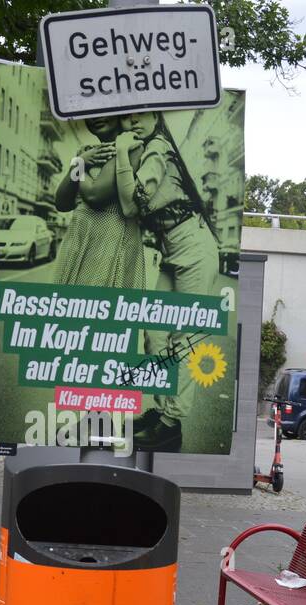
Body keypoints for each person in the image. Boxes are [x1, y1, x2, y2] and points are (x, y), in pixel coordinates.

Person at [114, 111, 222, 452]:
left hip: (193, 244)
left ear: (156, 118)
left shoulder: (157, 148)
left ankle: (171, 423)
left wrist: (119, 154)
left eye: (139, 115)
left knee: (183, 337)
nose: (132, 121)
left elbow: (134, 205)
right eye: (127, 116)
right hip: (169, 246)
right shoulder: (147, 148)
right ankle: (161, 410)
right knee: (154, 331)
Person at [52, 116, 145, 289]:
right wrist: (80, 163)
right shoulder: (86, 151)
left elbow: (95, 195)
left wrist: (78, 164)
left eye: (104, 112)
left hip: (111, 241)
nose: (96, 118)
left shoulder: (131, 146)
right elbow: (62, 203)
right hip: (79, 240)